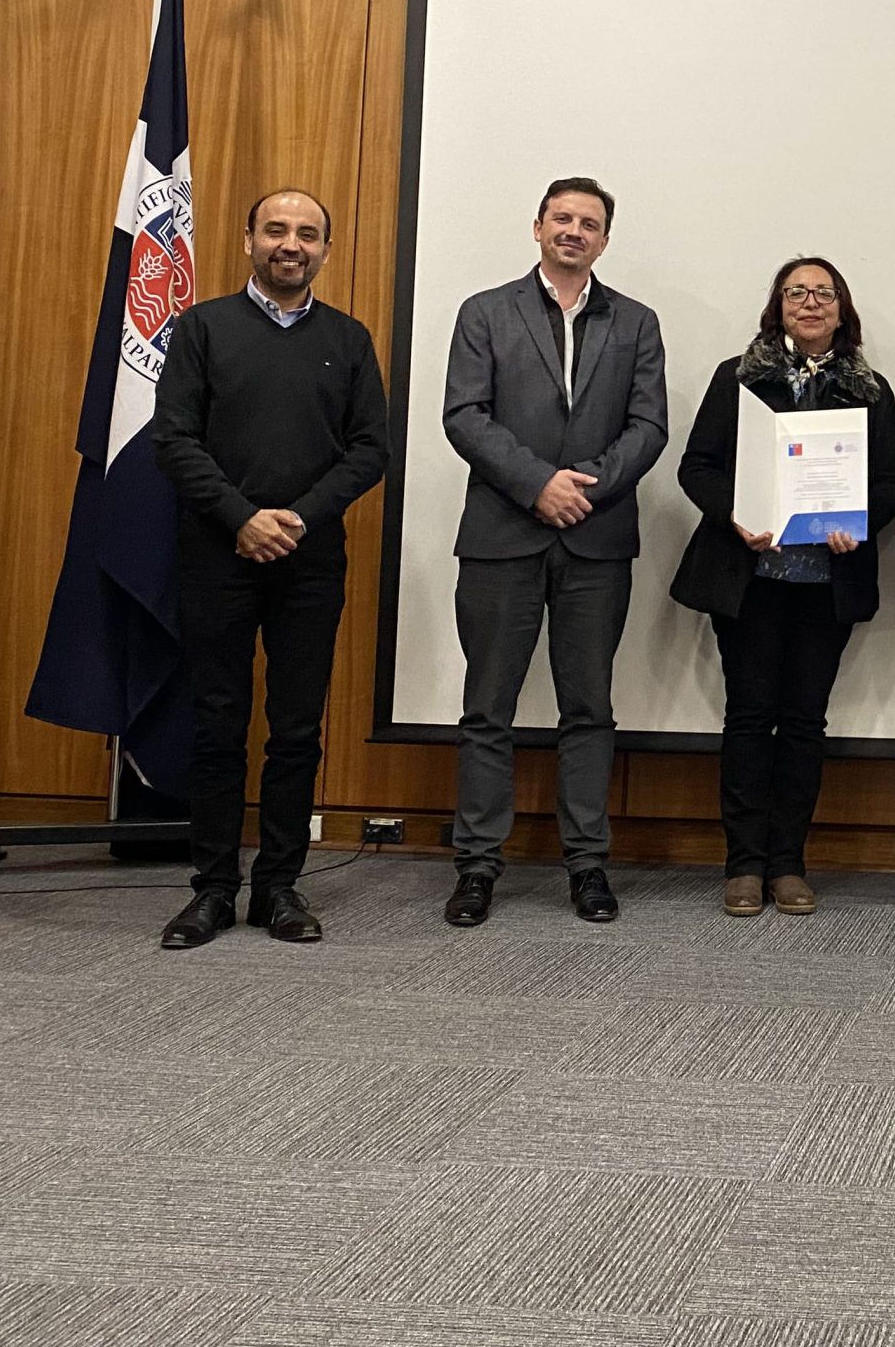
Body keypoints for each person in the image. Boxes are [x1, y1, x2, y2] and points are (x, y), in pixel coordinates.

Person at [152, 189, 387, 949]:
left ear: (326, 249)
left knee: (296, 731)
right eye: (277, 230)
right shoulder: (202, 328)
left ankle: (279, 887)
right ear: (248, 237)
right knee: (218, 724)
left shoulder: (349, 340)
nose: (292, 244)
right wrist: (241, 517)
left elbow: (368, 450)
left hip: (309, 562)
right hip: (217, 554)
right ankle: (213, 890)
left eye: (309, 234)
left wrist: (298, 518)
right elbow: (174, 439)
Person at [439, 177, 667, 928]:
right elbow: (465, 415)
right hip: (503, 534)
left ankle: (588, 865)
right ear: (537, 226)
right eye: (562, 218)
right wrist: (539, 485)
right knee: (487, 710)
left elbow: (648, 426)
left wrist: (583, 491)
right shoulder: (485, 312)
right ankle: (476, 867)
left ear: (605, 239)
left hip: (596, 542)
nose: (574, 231)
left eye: (590, 223)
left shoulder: (635, 322)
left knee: (589, 708)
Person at [672, 256, 895, 917]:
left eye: (823, 293)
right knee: (750, 718)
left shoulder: (870, 389)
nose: (810, 302)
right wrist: (737, 513)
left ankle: (788, 864)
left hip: (824, 582)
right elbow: (698, 468)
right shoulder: (737, 379)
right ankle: (743, 865)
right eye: (796, 292)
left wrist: (854, 523)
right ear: (777, 307)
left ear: (843, 309)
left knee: (804, 722)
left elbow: (893, 482)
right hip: (749, 581)